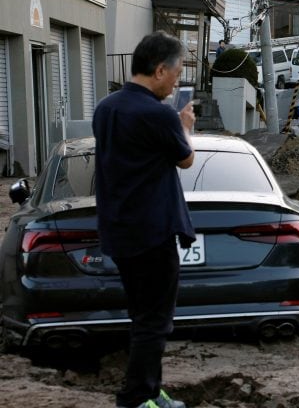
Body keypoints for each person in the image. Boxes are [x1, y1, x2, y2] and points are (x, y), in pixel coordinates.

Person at [92, 31, 194, 408]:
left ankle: (151, 392)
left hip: (119, 229)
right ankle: (136, 399)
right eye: (177, 72)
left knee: (142, 316)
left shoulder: (106, 108)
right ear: (159, 69)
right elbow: (186, 159)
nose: (177, 81)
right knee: (155, 321)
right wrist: (186, 126)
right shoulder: (160, 114)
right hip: (153, 231)